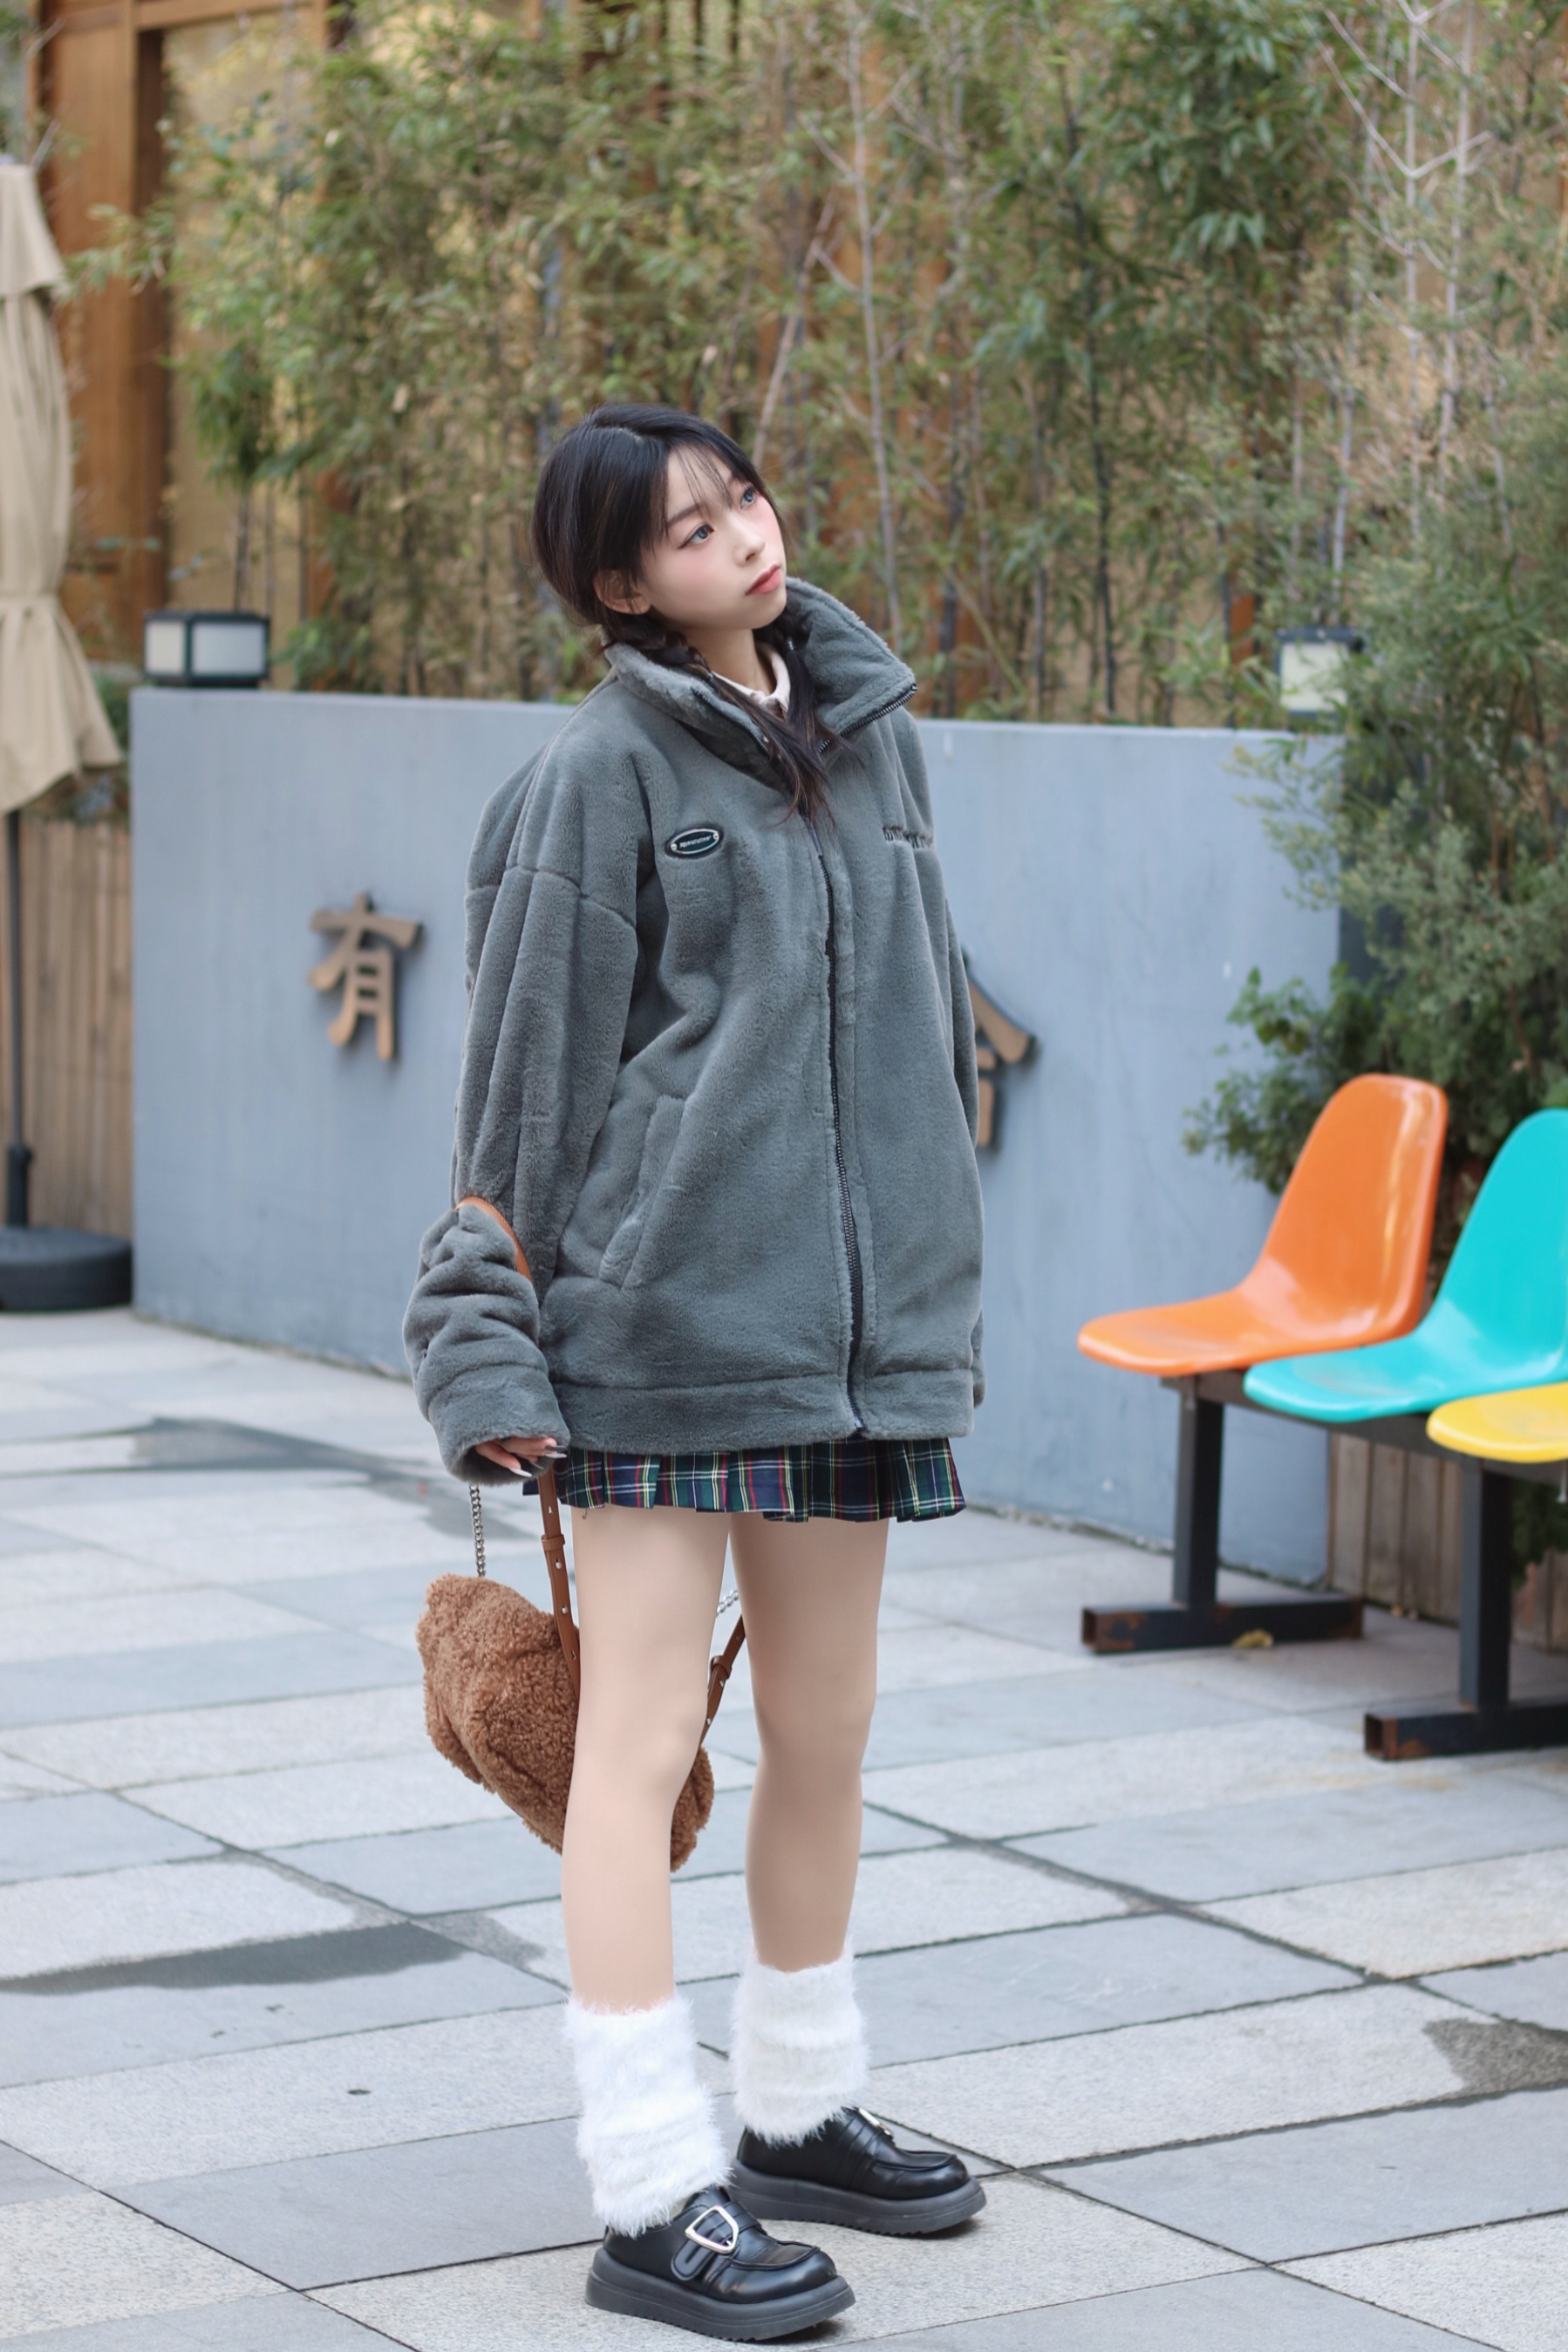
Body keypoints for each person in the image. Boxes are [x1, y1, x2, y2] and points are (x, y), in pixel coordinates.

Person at [405, 403, 986, 2340]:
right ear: (617, 583)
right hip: (656, 1338)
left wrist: (929, 1289)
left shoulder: (867, 729)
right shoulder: (594, 777)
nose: (742, 533)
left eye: (741, 495)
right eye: (686, 526)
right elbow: (525, 1085)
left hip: (846, 1349)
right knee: (638, 1743)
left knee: (826, 1725)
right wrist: (486, 1329)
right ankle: (653, 2185)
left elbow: (915, 1038)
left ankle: (799, 2105)